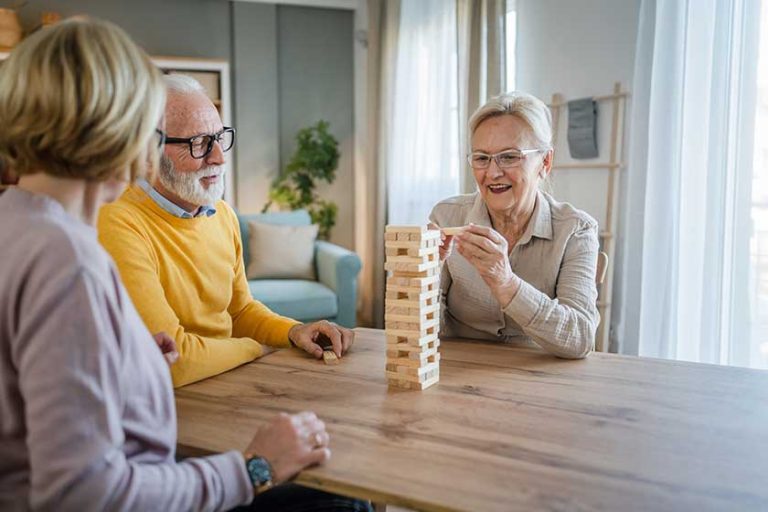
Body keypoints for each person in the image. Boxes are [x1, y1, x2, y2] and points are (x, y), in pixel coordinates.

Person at [0, 17, 369, 512]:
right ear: (121, 133)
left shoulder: (19, 225)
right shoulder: (70, 262)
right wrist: (253, 467)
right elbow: (83, 495)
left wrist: (125, 359)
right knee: (343, 500)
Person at [98, 74, 354, 388]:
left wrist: (293, 332)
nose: (219, 157)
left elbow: (240, 311)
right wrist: (257, 349)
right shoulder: (116, 223)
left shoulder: (221, 214)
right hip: (172, 401)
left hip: (227, 376)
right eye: (198, 143)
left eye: (219, 137)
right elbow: (172, 361)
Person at [429, 91, 599, 358]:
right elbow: (421, 331)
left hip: (538, 378)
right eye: (481, 158)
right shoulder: (446, 217)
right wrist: (423, 276)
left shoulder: (576, 231)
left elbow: (579, 338)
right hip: (457, 373)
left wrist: (506, 283)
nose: (493, 173)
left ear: (545, 162)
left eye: (509, 157)